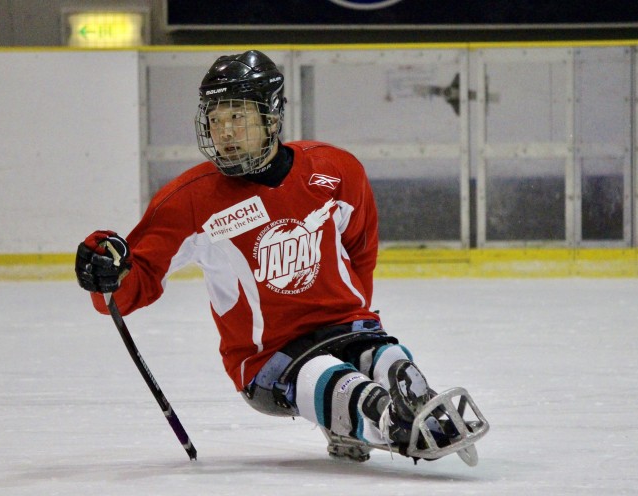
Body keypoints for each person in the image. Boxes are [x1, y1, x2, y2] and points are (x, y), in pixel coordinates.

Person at [75, 50, 488, 465]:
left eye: (238, 117)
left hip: (345, 327)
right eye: (215, 119)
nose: (224, 132)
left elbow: (360, 247)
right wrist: (105, 273)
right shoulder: (189, 202)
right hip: (268, 358)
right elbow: (132, 286)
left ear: (271, 119)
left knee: (392, 362)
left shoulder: (334, 170)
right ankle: (381, 418)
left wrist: (357, 315)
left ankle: (414, 402)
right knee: (340, 384)